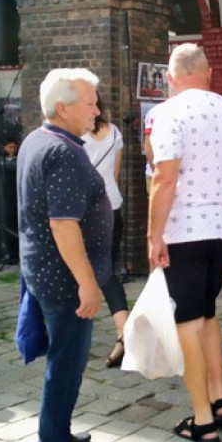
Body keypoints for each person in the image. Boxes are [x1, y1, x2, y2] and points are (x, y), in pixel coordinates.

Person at [148, 43, 222, 442]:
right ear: (208, 73)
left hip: (184, 230)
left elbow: (164, 179)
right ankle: (220, 398)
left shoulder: (166, 113)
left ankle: (203, 420)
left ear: (171, 77)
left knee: (188, 324)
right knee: (208, 314)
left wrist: (152, 234)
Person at [18, 68, 110, 442]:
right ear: (62, 107)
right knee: (67, 362)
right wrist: (87, 284)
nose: (96, 109)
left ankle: (54, 432)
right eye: (89, 103)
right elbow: (63, 224)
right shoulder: (63, 152)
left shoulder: (36, 140)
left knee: (64, 358)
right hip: (64, 277)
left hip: (44, 268)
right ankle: (54, 436)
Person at [80, 97, 129, 368]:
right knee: (107, 270)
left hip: (87, 211)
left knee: (78, 270)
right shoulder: (115, 133)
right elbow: (116, 173)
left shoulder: (77, 138)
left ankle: (75, 335)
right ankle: (123, 332)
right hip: (113, 206)